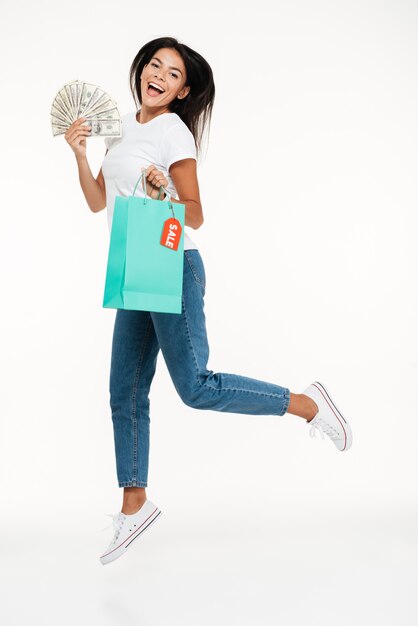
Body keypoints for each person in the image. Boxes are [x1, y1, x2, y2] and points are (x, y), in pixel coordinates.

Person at [65, 37, 353, 565]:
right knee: (124, 393)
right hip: (134, 266)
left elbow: (193, 214)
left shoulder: (173, 132)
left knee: (194, 386)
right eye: (154, 64)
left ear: (182, 90)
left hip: (171, 265)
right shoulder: (121, 126)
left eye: (172, 74)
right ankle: (135, 505)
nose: (159, 76)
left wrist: (163, 195)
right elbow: (96, 201)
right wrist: (80, 154)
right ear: (141, 69)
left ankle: (306, 403)